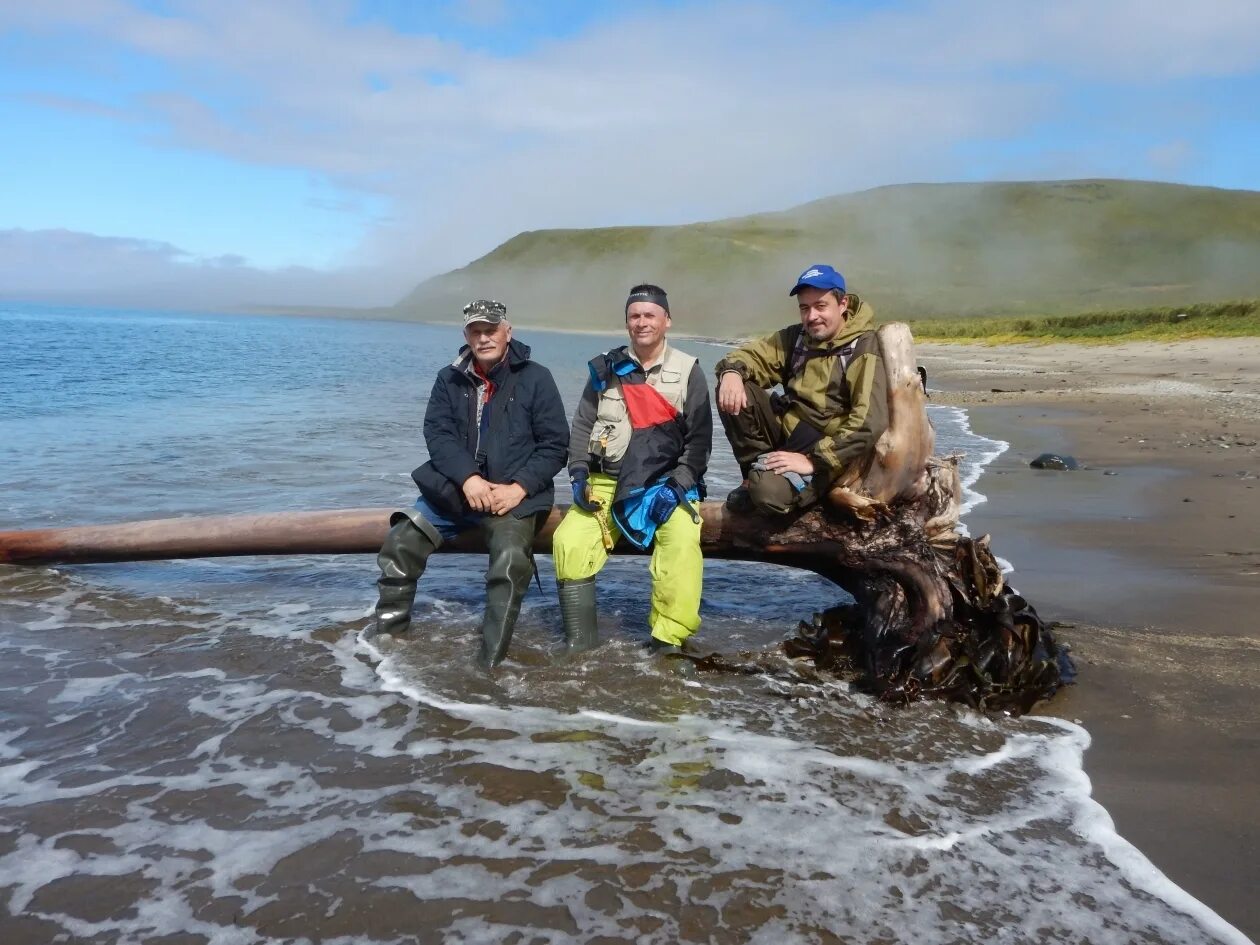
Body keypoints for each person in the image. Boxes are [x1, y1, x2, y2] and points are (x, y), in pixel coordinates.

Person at [368, 299, 569, 668]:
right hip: (455, 492)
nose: (484, 337)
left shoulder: (536, 377)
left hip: (514, 497)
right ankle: (387, 645)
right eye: (476, 331)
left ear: (508, 331)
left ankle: (488, 666)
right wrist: (469, 479)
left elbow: (555, 444)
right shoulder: (449, 377)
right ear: (466, 335)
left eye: (491, 329)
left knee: (509, 561)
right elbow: (438, 435)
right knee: (401, 541)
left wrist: (519, 487)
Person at [552, 284, 713, 655]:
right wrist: (577, 474)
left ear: (666, 321)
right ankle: (581, 646)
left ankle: (667, 641)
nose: (642, 323)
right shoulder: (605, 370)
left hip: (665, 484)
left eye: (649, 315)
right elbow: (581, 425)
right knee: (568, 542)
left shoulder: (688, 370)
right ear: (627, 322)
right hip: (605, 482)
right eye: (634, 316)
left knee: (682, 547)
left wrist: (679, 486)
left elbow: (700, 442)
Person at [714, 263, 887, 514]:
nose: (812, 316)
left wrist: (812, 461)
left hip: (827, 452)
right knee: (735, 389)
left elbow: (868, 422)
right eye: (805, 308)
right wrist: (731, 373)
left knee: (767, 495)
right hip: (788, 436)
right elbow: (752, 356)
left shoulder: (864, 348)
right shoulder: (797, 337)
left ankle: (780, 487)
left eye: (821, 306)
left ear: (843, 304)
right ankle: (756, 472)